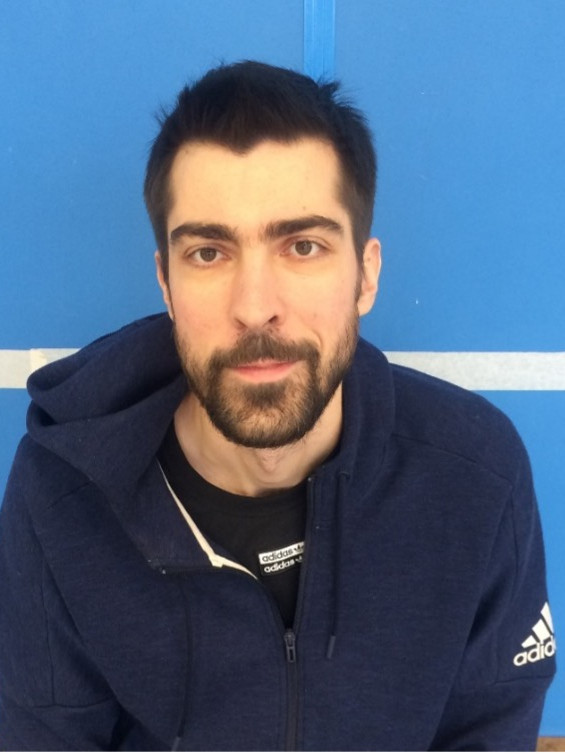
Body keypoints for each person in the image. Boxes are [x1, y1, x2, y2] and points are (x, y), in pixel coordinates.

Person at [0, 60, 556, 751]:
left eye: (302, 246)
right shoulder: (62, 493)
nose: (255, 306)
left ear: (366, 275)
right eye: (209, 253)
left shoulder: (476, 475)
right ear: (166, 283)